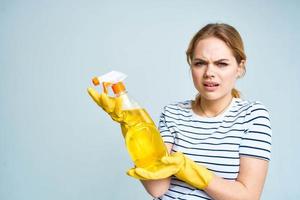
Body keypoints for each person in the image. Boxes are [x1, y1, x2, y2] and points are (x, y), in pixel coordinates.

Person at [87, 23, 272, 200]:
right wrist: (132, 124)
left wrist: (192, 171)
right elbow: (157, 189)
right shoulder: (172, 113)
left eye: (221, 64)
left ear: (239, 67)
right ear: (191, 65)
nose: (209, 72)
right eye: (200, 63)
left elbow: (248, 196)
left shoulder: (252, 116)